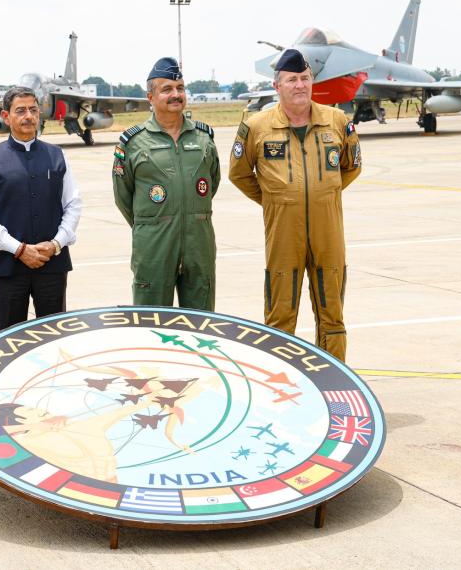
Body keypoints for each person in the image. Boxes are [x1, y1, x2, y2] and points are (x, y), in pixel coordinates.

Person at [229, 48, 361, 361]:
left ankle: (334, 383)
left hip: (328, 234)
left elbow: (351, 166)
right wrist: (276, 200)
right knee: (279, 319)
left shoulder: (338, 122)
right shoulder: (256, 127)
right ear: (277, 86)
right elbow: (239, 174)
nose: (299, 85)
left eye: (305, 78)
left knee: (332, 316)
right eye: (292, 80)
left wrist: (323, 195)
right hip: (283, 235)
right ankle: (282, 390)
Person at [112, 57, 220, 309]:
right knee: (151, 325)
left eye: (180, 88)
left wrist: (188, 214)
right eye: (167, 89)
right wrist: (154, 224)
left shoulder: (204, 138)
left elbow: (211, 184)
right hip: (154, 247)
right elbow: (123, 197)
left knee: (201, 323)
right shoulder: (133, 142)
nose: (176, 94)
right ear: (150, 97)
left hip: (199, 244)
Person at [0, 86, 82, 330]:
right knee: (9, 341)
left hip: (52, 265)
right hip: (8, 268)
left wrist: (56, 244)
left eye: (33, 110)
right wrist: (19, 250)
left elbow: (73, 205)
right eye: (20, 111)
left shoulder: (57, 156)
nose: (28, 116)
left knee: (54, 339)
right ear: (6, 116)